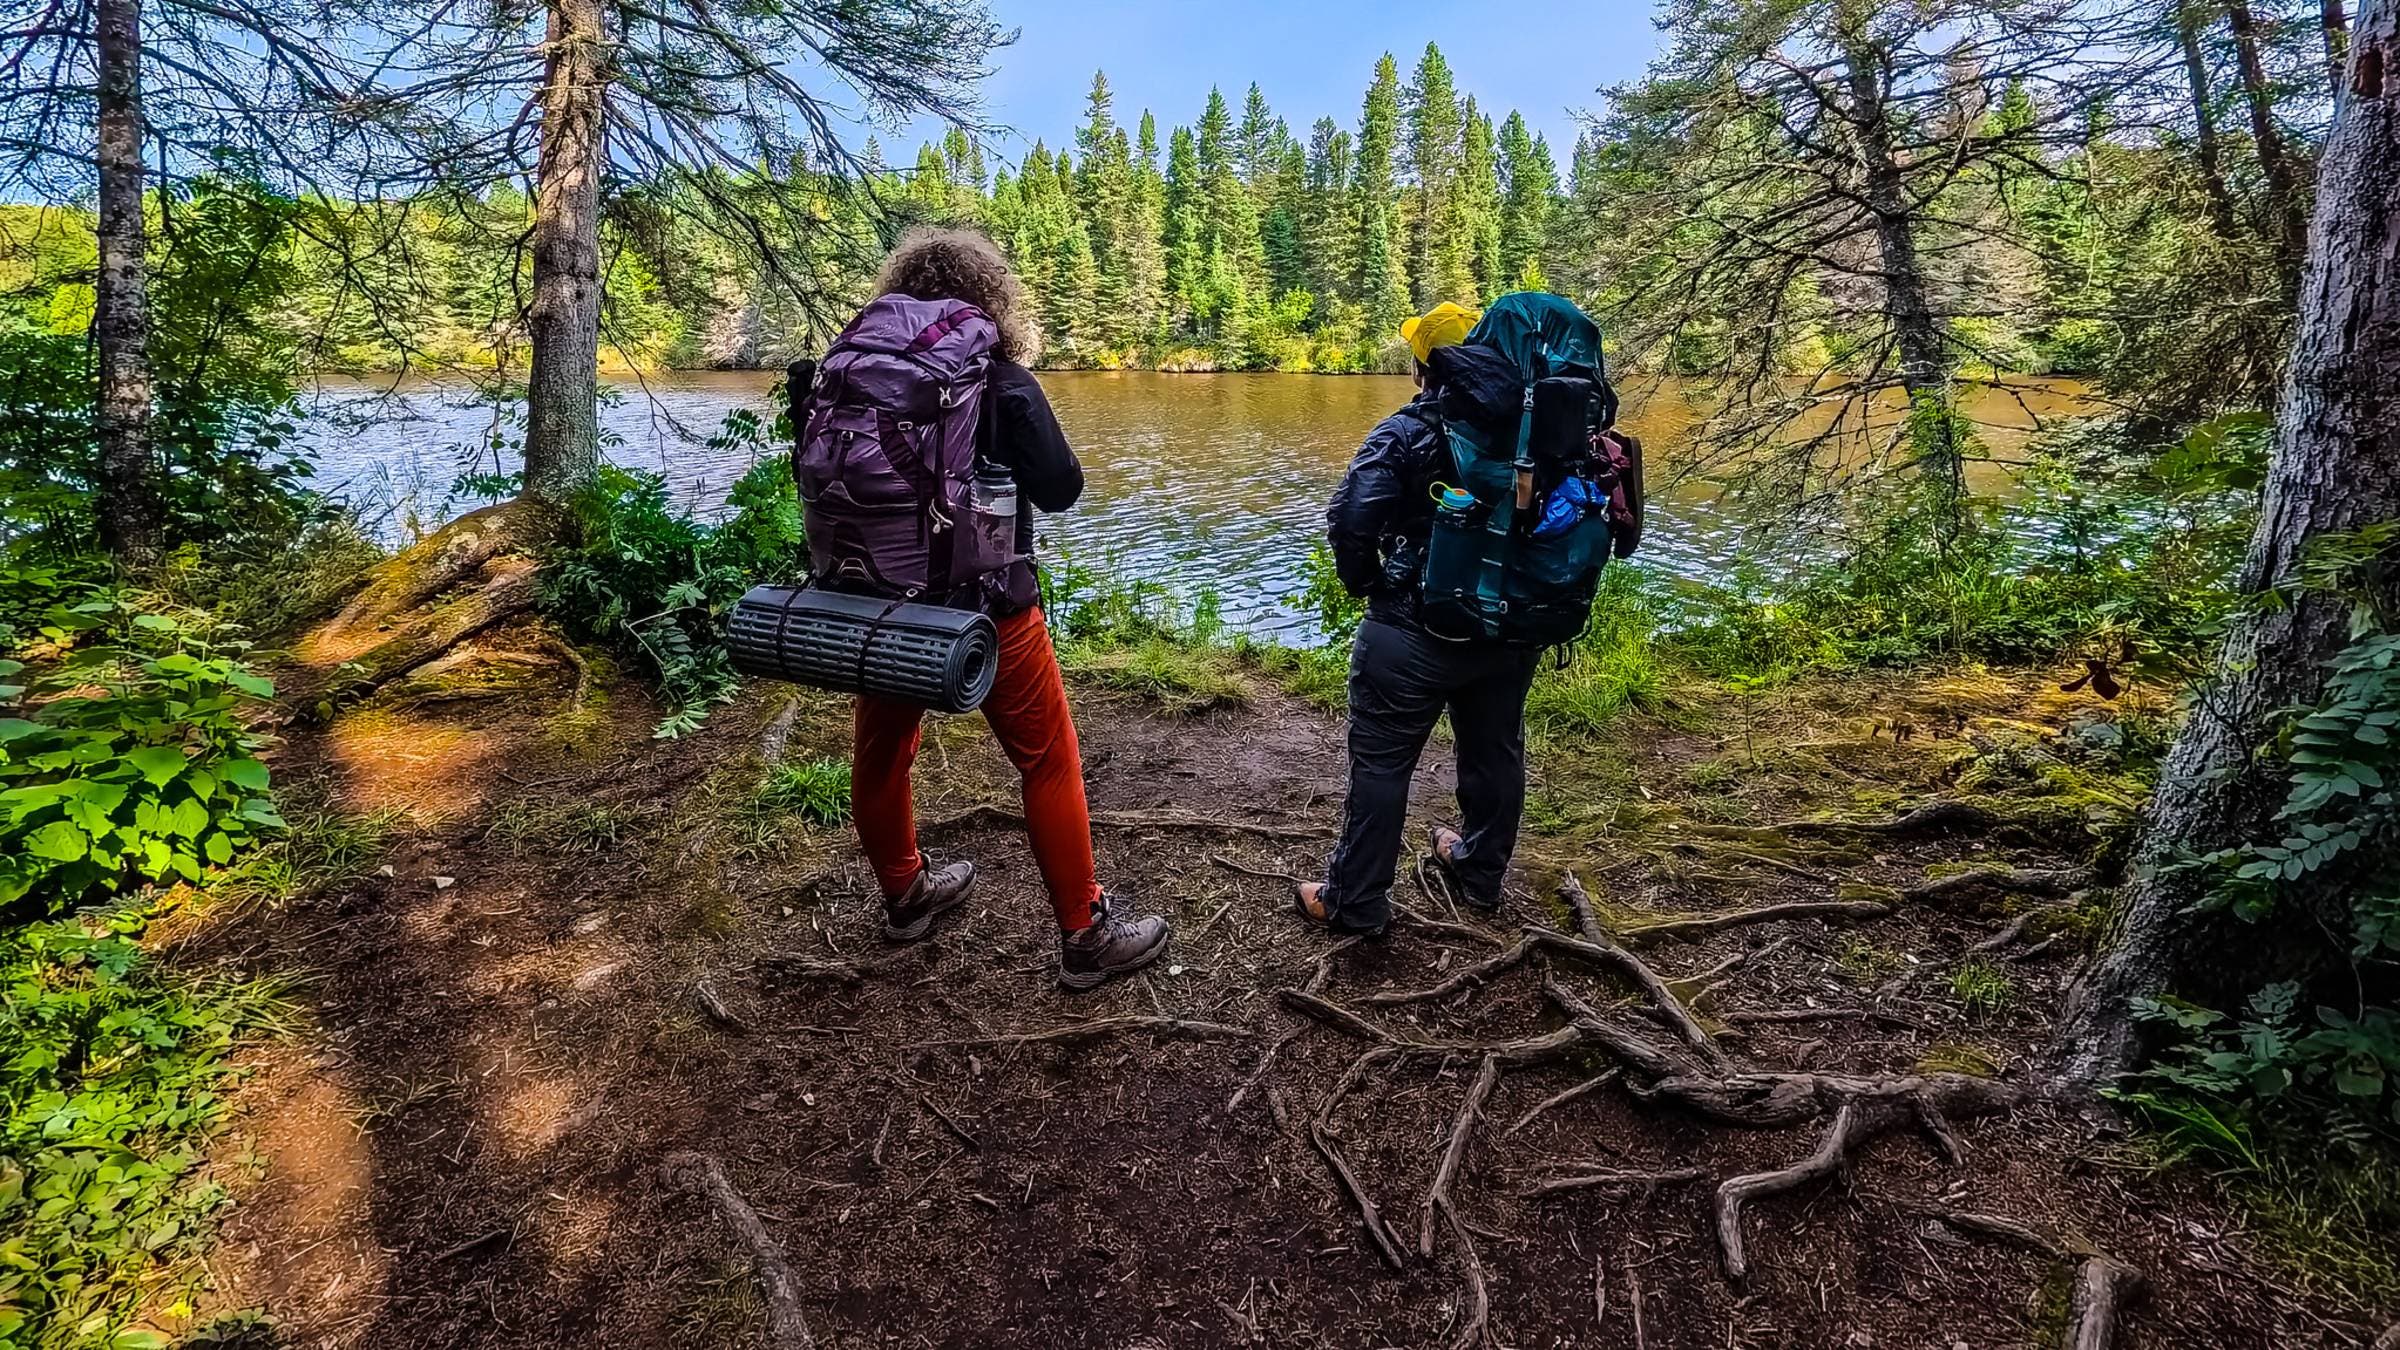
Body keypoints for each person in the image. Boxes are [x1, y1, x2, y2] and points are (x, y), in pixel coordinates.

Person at [842, 228, 1169, 990]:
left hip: (881, 602)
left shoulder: (854, 372)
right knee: (1048, 761)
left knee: (884, 752)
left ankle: (904, 893)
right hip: (990, 611)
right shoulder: (1001, 381)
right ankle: (1085, 936)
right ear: (989, 299)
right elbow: (1060, 489)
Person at [1295, 302, 1543, 935]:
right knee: (1495, 751)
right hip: (1510, 626)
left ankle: (1356, 901)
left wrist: (1370, 583)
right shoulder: (1533, 431)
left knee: (1381, 764)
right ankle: (1479, 871)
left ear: (1421, 367)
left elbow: (1352, 520)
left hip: (1413, 630)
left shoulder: (1405, 431)